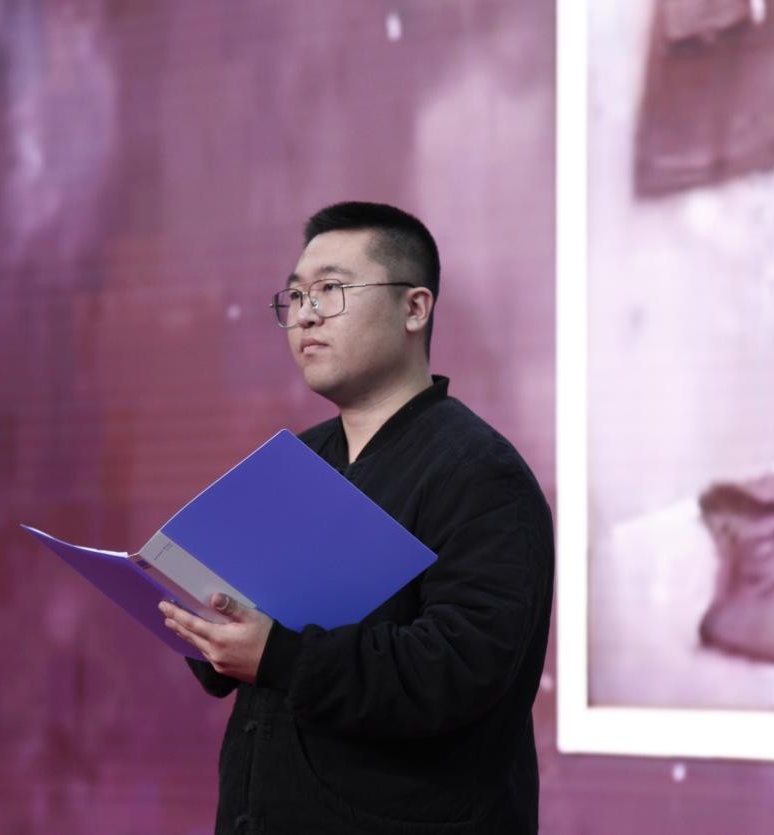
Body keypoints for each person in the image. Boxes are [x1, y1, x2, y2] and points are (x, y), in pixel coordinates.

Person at [159, 201, 554, 834]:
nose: (306, 314)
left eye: (331, 290)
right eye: (296, 296)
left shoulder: (482, 474)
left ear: (414, 308)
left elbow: (459, 670)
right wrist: (212, 630)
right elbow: (257, 635)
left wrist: (280, 655)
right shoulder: (299, 460)